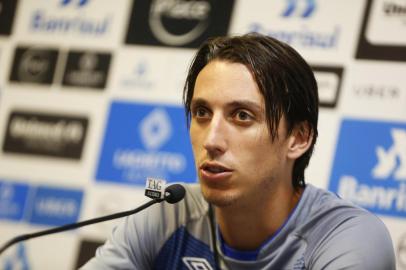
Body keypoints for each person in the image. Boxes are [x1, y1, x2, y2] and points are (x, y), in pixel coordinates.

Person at [81, 33, 396, 269]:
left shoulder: (347, 238)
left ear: (298, 138)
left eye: (242, 116)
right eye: (202, 113)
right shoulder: (167, 215)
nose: (212, 140)